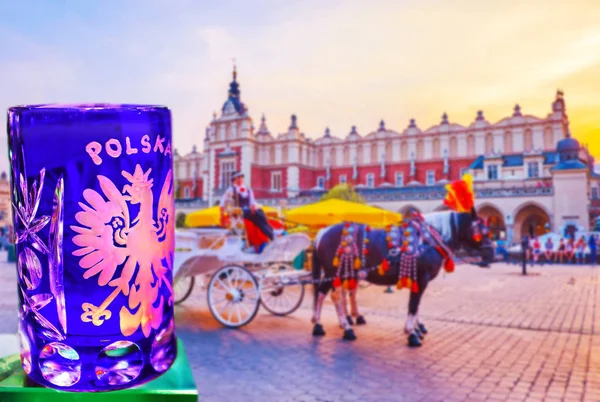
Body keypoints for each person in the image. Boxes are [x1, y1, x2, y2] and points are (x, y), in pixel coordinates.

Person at [220, 172, 274, 243]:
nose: (240, 179)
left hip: (248, 212)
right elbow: (222, 202)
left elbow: (252, 202)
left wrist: (254, 208)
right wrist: (222, 216)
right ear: (234, 180)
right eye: (238, 178)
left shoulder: (248, 189)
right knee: (258, 213)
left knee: (260, 218)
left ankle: (272, 234)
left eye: (241, 177)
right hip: (238, 212)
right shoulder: (231, 189)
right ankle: (272, 233)